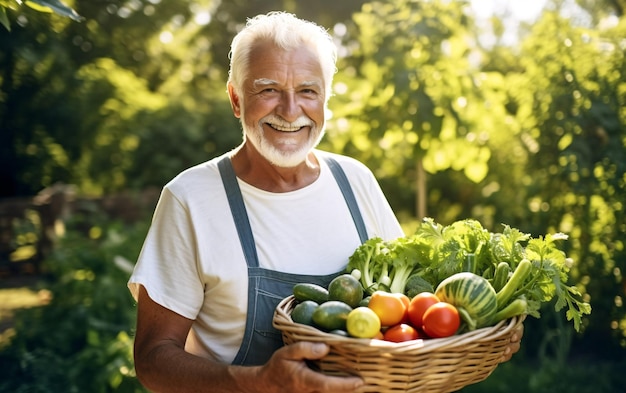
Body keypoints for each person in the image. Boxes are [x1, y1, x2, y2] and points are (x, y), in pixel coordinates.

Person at [128, 11, 522, 393]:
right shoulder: (190, 198)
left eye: (307, 91)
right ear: (235, 99)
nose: (290, 110)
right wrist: (259, 384)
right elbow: (152, 360)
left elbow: (410, 315)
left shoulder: (355, 181)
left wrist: (477, 331)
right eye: (268, 90)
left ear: (326, 100)